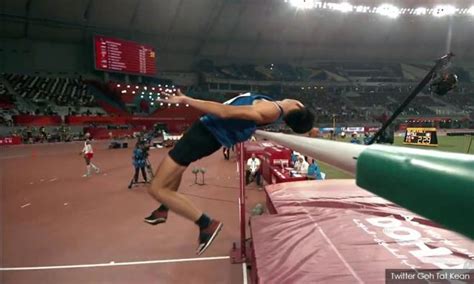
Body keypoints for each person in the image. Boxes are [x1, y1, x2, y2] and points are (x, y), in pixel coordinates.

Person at [144, 90, 314, 255]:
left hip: (205, 135)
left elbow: (224, 112)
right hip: (204, 133)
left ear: (298, 105)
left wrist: (186, 100)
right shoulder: (271, 105)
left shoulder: (270, 110)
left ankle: (206, 223)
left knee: (156, 188)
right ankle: (165, 206)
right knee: (177, 167)